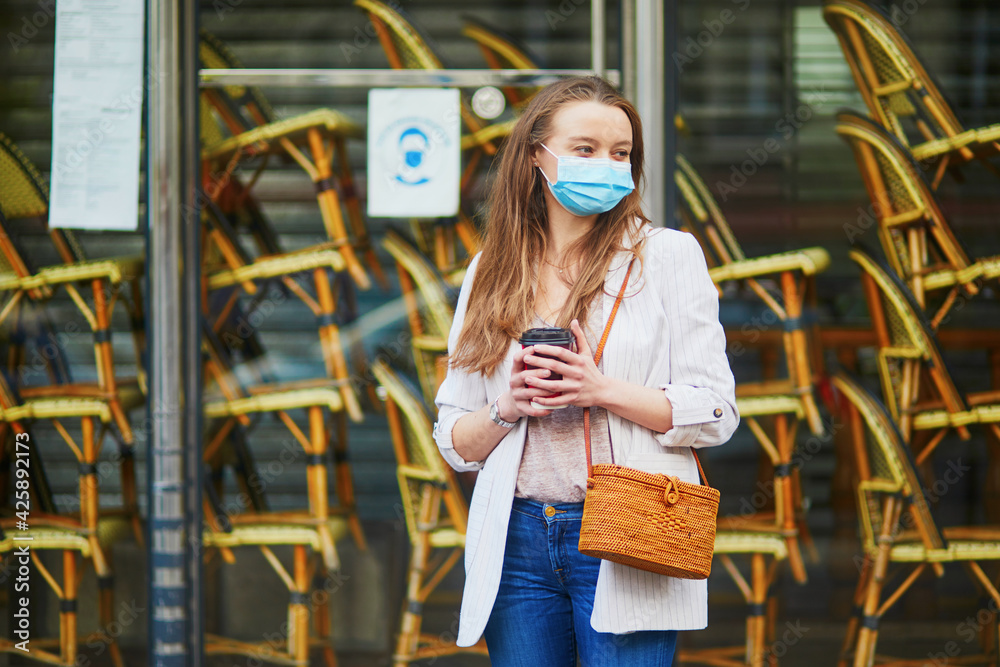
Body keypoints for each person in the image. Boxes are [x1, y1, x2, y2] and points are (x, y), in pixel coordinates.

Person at [432, 76, 739, 666]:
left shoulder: (668, 255)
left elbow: (717, 410)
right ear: (535, 157)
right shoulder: (491, 270)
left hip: (625, 528)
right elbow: (454, 439)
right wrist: (509, 405)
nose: (607, 164)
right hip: (516, 539)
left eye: (620, 153)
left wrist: (601, 390)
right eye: (585, 149)